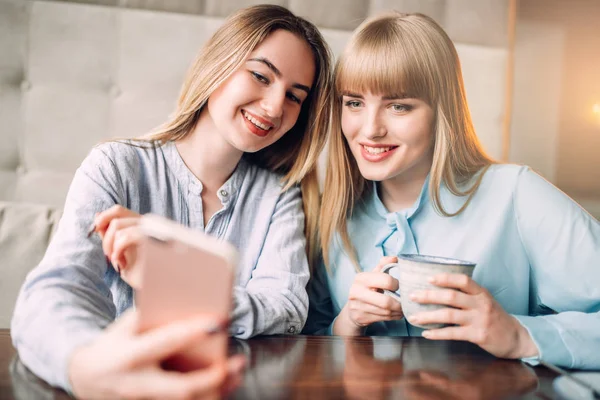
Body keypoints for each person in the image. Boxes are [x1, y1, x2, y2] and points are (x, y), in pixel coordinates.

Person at [11, 4, 332, 397]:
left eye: (295, 97)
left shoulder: (279, 195)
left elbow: (285, 309)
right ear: (219, 64)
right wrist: (83, 367)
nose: (274, 107)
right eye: (261, 76)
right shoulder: (116, 165)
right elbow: (57, 288)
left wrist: (170, 279)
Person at [303, 11, 600, 370]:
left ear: (441, 111)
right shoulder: (332, 212)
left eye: (399, 106)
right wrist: (348, 322)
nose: (370, 129)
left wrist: (518, 334)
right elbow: (305, 343)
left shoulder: (516, 193)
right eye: (354, 102)